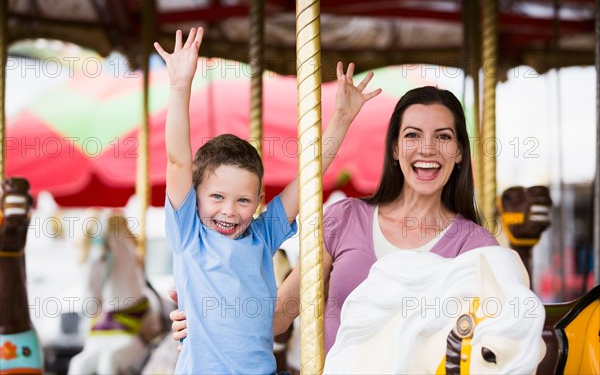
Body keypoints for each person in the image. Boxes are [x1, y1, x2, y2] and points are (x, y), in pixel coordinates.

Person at [171, 84, 501, 358]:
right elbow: (278, 318)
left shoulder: (478, 247)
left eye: (443, 137)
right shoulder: (344, 220)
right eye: (413, 135)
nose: (427, 148)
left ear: (460, 151)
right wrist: (208, 319)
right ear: (396, 148)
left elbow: (499, 343)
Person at [154, 27, 381, 374]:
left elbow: (308, 177)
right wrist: (180, 85)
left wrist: (342, 118)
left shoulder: (262, 236)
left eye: (243, 200)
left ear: (260, 199)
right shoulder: (189, 235)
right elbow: (178, 160)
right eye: (216, 196)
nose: (229, 210)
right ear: (194, 197)